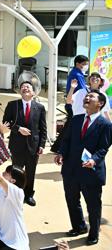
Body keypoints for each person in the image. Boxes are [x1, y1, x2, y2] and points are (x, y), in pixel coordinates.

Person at [54, 90, 112, 246]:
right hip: (71, 169)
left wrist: (94, 160)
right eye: (86, 96)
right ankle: (79, 226)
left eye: (91, 97)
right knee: (72, 200)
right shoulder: (76, 119)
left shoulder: (105, 124)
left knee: (93, 206)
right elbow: (66, 140)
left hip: (90, 172)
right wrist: (61, 153)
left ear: (100, 103)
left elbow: (103, 147)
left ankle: (93, 233)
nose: (87, 98)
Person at [2, 81, 47, 206]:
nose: (25, 88)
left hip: (33, 146)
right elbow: (6, 122)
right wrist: (18, 128)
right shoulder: (13, 105)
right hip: (17, 145)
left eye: (28, 87)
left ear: (33, 92)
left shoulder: (40, 107)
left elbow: (43, 129)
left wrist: (42, 145)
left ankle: (28, 195)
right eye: (22, 87)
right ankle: (16, 194)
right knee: (16, 171)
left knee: (31, 172)